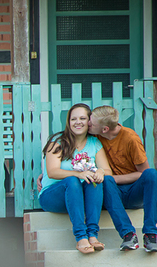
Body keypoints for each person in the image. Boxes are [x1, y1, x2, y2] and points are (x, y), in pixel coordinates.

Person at [38, 103, 111, 254]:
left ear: (89, 121)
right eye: (73, 119)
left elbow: (107, 170)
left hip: (80, 198)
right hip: (53, 196)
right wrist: (78, 174)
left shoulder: (94, 143)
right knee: (72, 180)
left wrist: (100, 171)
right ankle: (81, 237)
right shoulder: (57, 142)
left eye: (82, 118)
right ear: (68, 122)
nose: (78, 122)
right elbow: (52, 172)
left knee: (94, 180)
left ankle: (92, 235)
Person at [89, 105, 157, 252]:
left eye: (91, 123)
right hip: (111, 193)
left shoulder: (130, 138)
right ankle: (128, 235)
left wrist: (114, 178)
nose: (88, 124)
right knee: (107, 180)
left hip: (133, 191)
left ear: (105, 129)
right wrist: (45, 175)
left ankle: (150, 234)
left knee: (152, 174)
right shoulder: (94, 136)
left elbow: (143, 173)